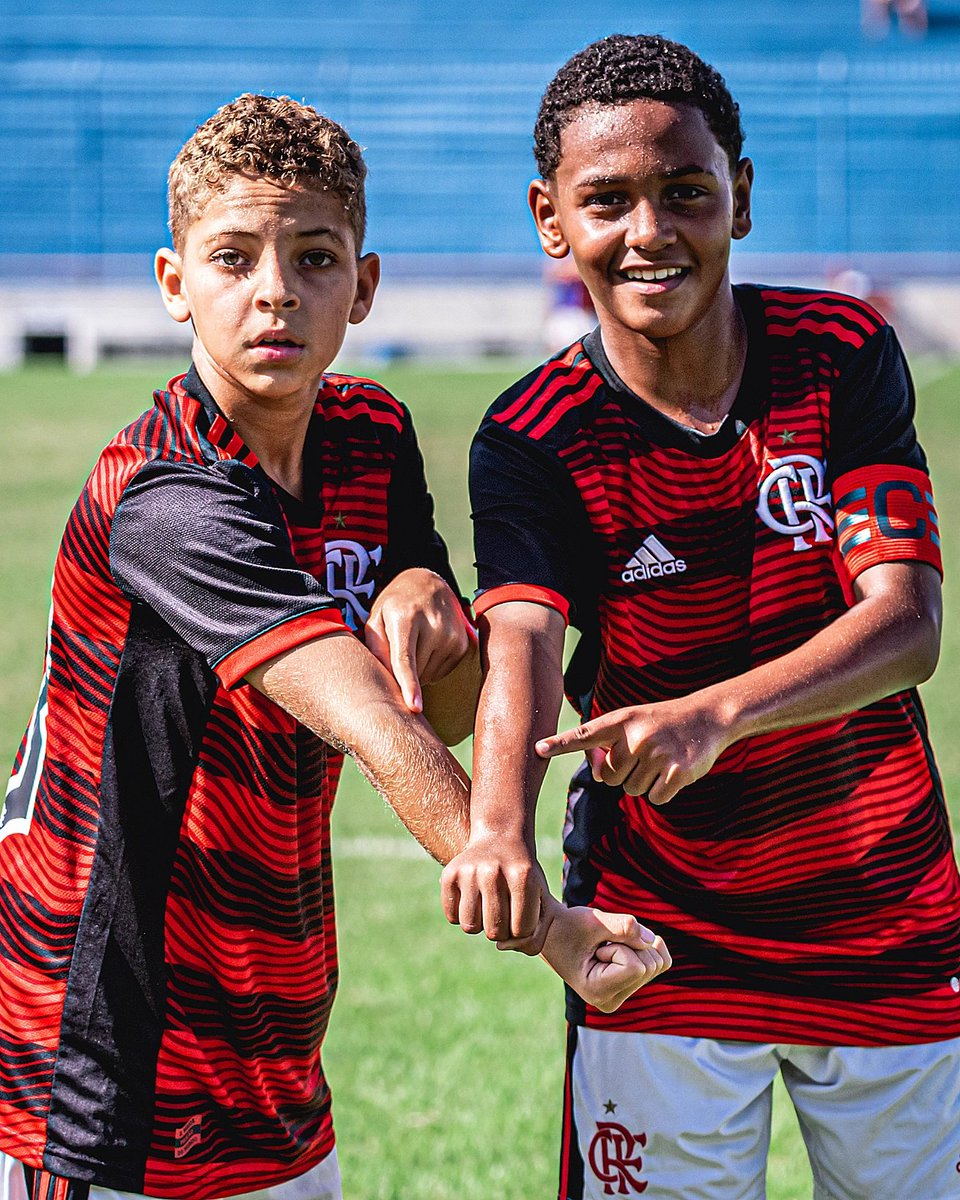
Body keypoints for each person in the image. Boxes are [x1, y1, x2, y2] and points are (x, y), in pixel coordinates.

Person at [0, 94, 670, 1200]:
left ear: (363, 287)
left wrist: (424, 591)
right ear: (175, 284)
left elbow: (436, 698)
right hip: (104, 1057)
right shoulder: (163, 499)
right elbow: (366, 714)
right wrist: (549, 926)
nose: (276, 291)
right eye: (233, 257)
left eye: (315, 258)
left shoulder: (370, 433)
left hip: (275, 1039)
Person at [440, 33, 960, 1200]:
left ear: (742, 197)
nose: (650, 231)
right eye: (606, 200)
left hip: (885, 919)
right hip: (659, 939)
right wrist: (496, 827)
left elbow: (907, 622)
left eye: (686, 192)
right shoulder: (535, 434)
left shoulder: (842, 356)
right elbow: (519, 641)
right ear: (550, 218)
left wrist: (711, 715)